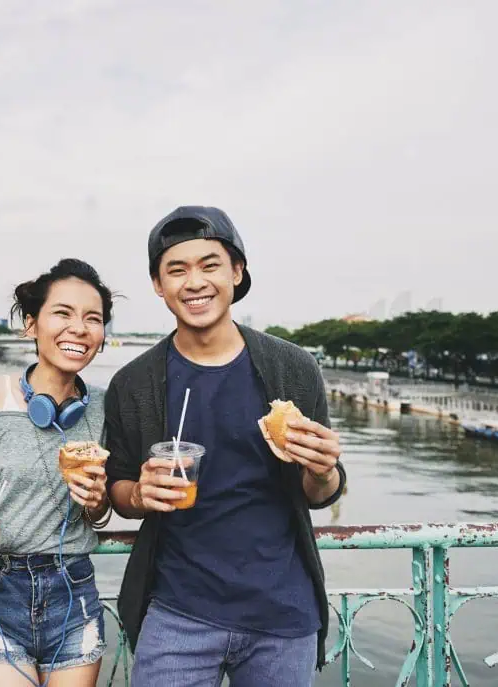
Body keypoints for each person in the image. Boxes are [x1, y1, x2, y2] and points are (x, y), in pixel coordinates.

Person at [103, 206, 347, 686]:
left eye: (210, 265)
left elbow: (322, 493)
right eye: (177, 269)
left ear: (236, 272)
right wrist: (139, 494)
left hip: (283, 616)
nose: (195, 282)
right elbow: (120, 492)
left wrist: (323, 470)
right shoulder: (133, 384)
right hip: (176, 612)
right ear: (158, 284)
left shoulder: (293, 369)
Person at [0, 259, 115, 687]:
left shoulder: (107, 408)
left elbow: (103, 511)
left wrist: (98, 501)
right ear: (31, 325)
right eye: (63, 313)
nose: (79, 328)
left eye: (93, 319)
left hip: (73, 590)